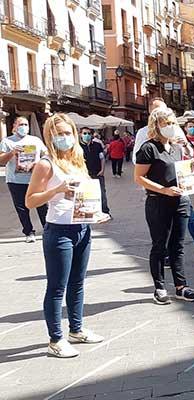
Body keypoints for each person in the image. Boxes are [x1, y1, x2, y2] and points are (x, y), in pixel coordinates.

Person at [26, 113, 109, 357]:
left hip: (82, 228)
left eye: (68, 133)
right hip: (58, 231)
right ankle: (55, 339)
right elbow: (30, 200)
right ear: (50, 136)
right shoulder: (45, 164)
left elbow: (83, 196)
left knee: (78, 282)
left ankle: (76, 329)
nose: (65, 137)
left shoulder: (77, 160)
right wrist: (57, 189)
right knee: (56, 286)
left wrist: (96, 214)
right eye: (59, 133)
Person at [136, 99, 194, 264]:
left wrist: (186, 150)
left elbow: (188, 152)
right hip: (159, 188)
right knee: (164, 227)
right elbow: (138, 161)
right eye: (157, 111)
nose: (163, 114)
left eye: (164, 110)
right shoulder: (143, 134)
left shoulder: (174, 129)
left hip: (180, 182)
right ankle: (166, 256)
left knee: (191, 219)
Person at [134, 107, 194, 305]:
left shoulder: (177, 148)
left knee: (178, 246)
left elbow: (177, 171)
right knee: (159, 246)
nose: (171, 127)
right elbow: (139, 177)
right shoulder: (148, 148)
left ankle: (181, 286)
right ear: (157, 126)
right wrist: (163, 190)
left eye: (173, 123)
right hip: (158, 202)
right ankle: (160, 287)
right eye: (166, 124)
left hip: (180, 201)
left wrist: (190, 167)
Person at [0, 116, 48, 243]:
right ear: (14, 126)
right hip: (15, 180)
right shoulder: (7, 142)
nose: (24, 127)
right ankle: (28, 231)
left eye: (26, 124)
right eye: (21, 124)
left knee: (42, 205)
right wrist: (12, 153)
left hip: (35, 179)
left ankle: (47, 229)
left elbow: (46, 154)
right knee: (21, 208)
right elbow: (1, 160)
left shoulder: (36, 140)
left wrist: (37, 163)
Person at [79, 127, 110, 215]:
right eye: (84, 133)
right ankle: (88, 213)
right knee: (85, 195)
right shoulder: (78, 147)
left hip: (97, 173)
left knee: (102, 193)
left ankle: (105, 212)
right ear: (81, 134)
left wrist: (102, 170)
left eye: (89, 133)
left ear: (92, 135)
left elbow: (102, 158)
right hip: (84, 175)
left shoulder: (97, 145)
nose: (87, 135)